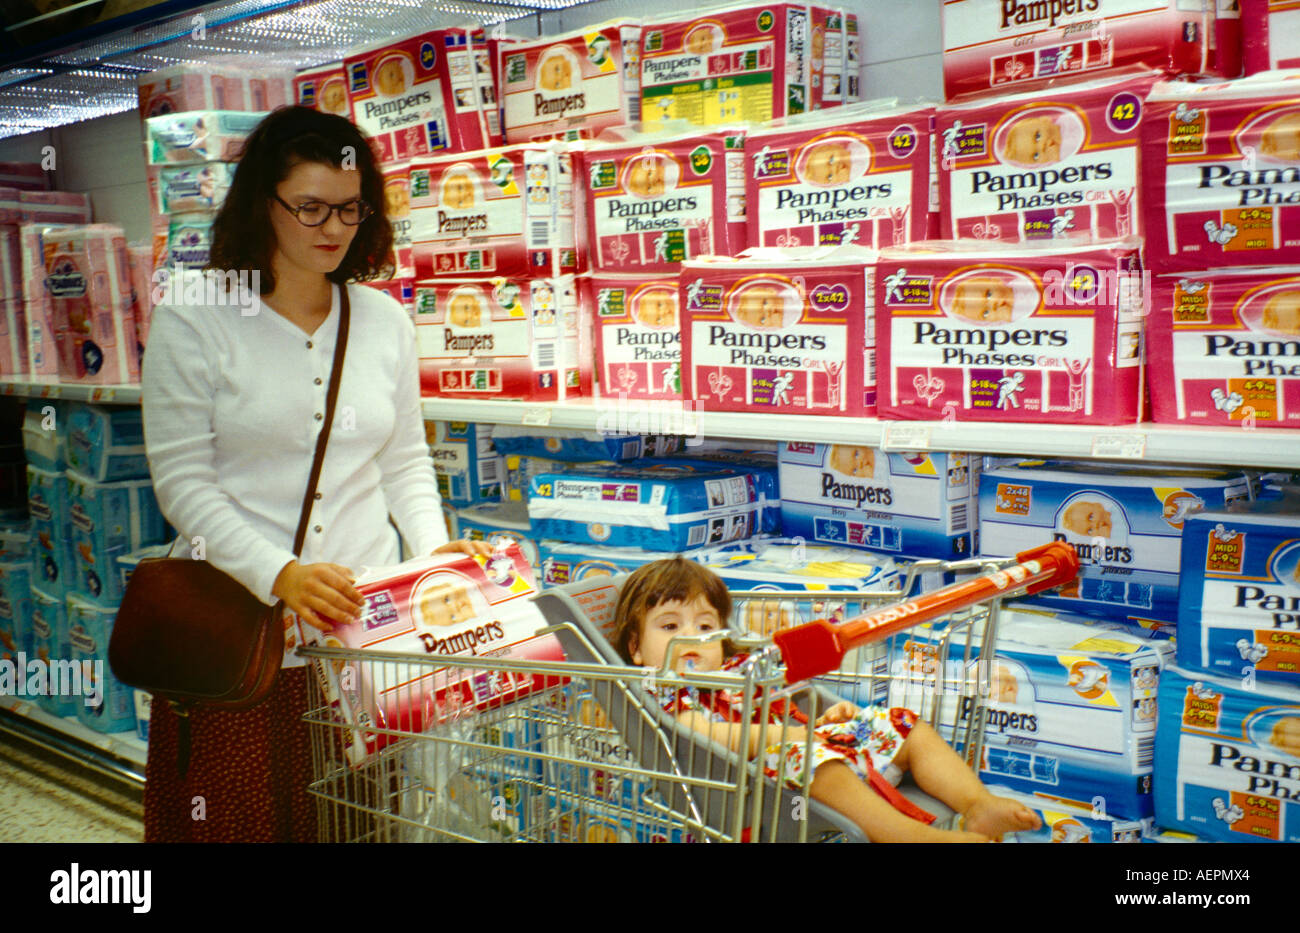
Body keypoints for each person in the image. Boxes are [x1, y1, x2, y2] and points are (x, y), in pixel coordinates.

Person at [140, 105, 489, 843]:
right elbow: (182, 483)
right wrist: (282, 572)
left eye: (350, 208)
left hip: (366, 638)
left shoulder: (383, 320)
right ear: (261, 203)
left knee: (355, 823)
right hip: (243, 631)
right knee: (237, 820)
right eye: (309, 206)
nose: (332, 227)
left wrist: (436, 557)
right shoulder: (196, 315)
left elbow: (404, 459)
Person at [611, 557, 1043, 843]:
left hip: (807, 744)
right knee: (808, 758)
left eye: (707, 626)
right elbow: (695, 732)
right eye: (670, 627)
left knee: (903, 722)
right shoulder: (662, 686)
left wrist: (832, 716)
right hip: (758, 782)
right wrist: (790, 733)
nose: (692, 637)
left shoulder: (737, 668)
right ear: (635, 647)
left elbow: (790, 702)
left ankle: (977, 803)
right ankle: (905, 835)